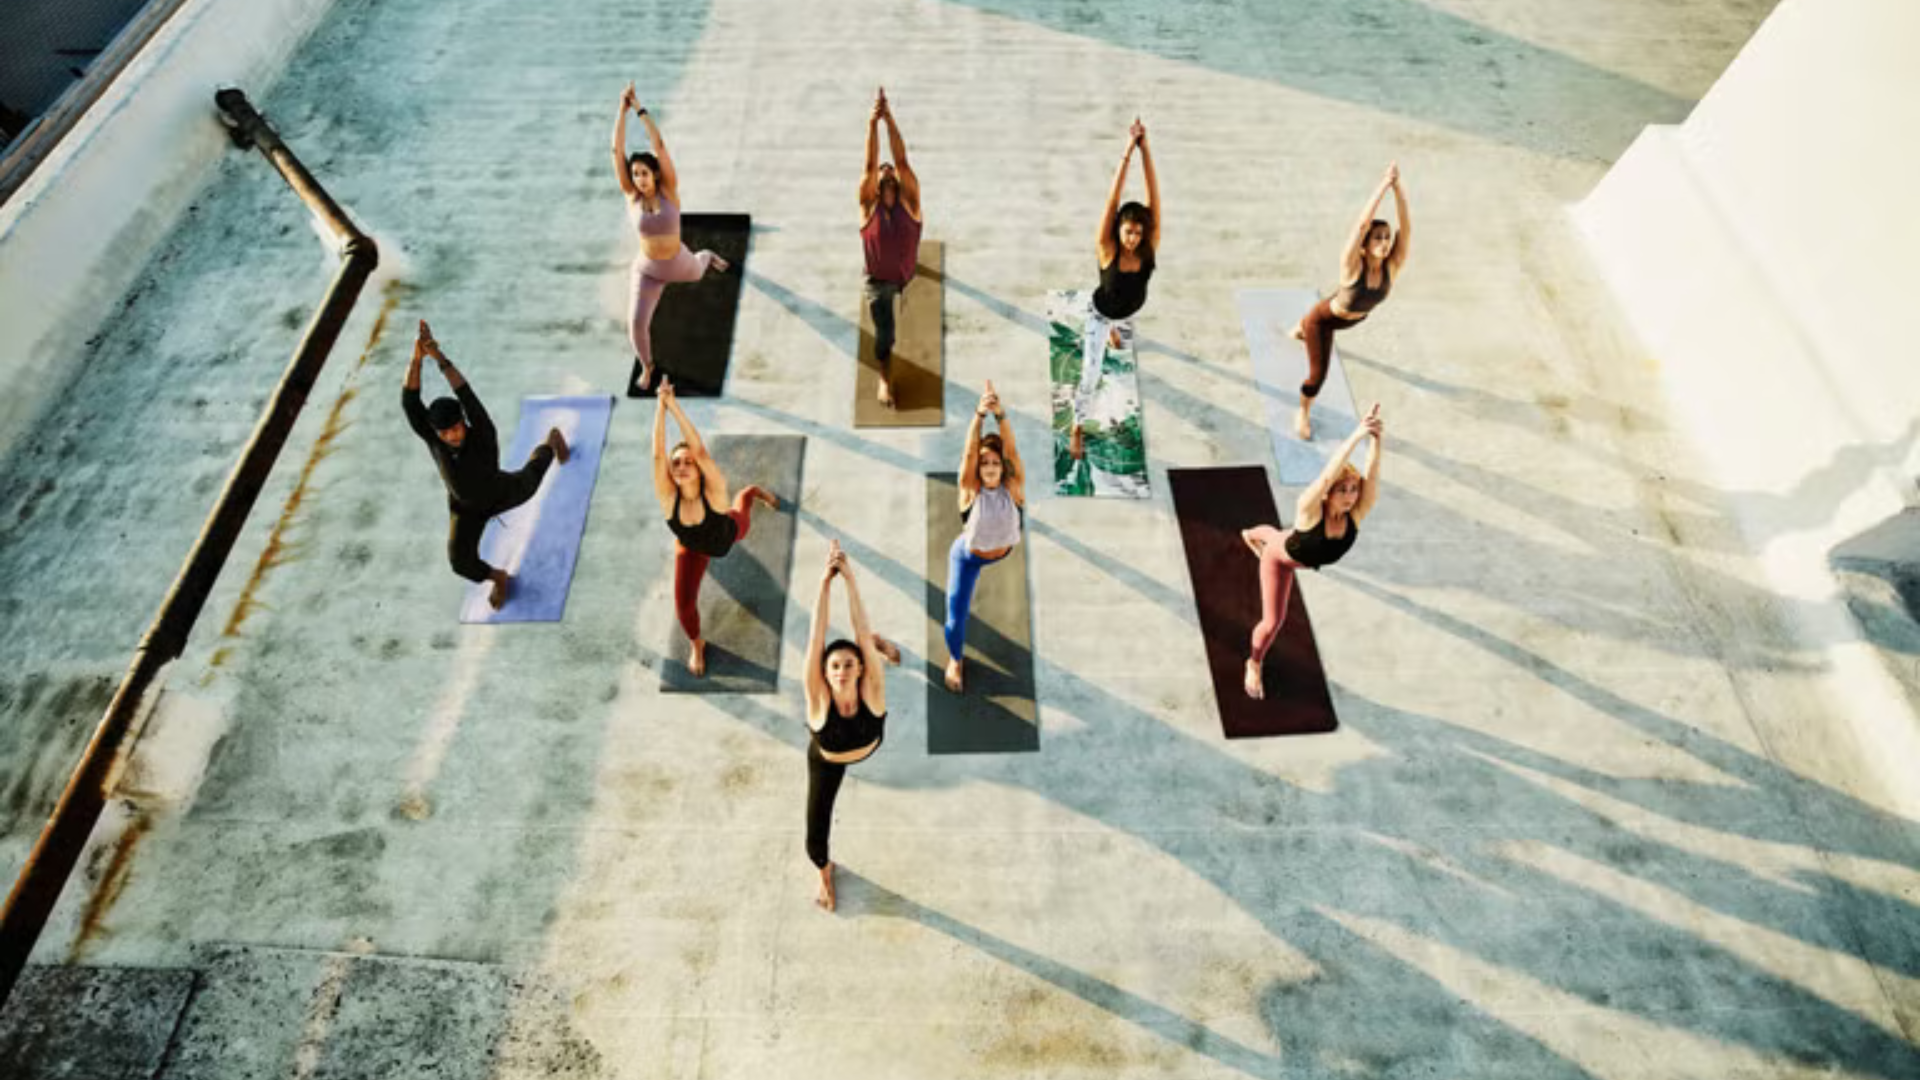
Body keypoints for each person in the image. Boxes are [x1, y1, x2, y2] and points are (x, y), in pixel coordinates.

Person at [402, 320, 569, 610]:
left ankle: (551, 442)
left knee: (533, 477)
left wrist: (439, 359)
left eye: (456, 428)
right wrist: (416, 357)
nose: (452, 436)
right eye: (445, 433)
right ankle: (498, 578)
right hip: (464, 508)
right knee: (460, 562)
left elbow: (464, 391)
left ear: (463, 422)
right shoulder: (435, 439)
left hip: (500, 491)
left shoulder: (481, 430)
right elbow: (410, 401)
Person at [1241, 404, 1384, 700]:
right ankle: (1253, 662)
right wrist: (1356, 436)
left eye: (1353, 489)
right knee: (1272, 622)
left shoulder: (1355, 515)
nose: (1349, 497)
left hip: (1296, 549)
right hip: (1281, 561)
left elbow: (1372, 478)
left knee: (1277, 534)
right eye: (1342, 490)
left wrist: (1376, 440)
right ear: (1328, 492)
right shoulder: (1310, 509)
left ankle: (1251, 535)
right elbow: (1325, 476)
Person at [651, 377, 778, 676]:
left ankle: (754, 491)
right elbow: (658, 455)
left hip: (728, 533)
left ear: (697, 467)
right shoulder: (670, 500)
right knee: (683, 607)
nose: (680, 466)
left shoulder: (714, 493)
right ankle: (698, 644)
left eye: (686, 462)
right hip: (692, 547)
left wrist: (674, 406)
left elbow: (701, 451)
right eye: (676, 464)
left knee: (742, 501)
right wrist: (660, 407)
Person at [613, 82, 730, 392]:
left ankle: (708, 255)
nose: (638, 179)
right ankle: (648, 366)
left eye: (644, 173)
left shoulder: (669, 192)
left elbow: (660, 146)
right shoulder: (631, 196)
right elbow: (616, 151)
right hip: (648, 270)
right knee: (637, 324)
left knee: (700, 267)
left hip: (679, 263)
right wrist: (620, 112)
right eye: (634, 173)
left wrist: (638, 108)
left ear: (655, 175)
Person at [1288, 164, 1411, 439]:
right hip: (1324, 322)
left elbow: (1407, 228)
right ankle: (1303, 412)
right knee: (1317, 377)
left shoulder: (1392, 267)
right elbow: (1361, 225)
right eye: (1378, 238)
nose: (1385, 242)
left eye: (1387, 237)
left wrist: (1398, 189)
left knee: (1339, 299)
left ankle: (1299, 329)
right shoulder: (1351, 266)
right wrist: (1383, 185)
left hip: (1351, 315)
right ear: (1365, 245)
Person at [802, 540, 891, 912]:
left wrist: (850, 578)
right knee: (813, 840)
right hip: (827, 760)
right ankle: (825, 874)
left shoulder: (872, 689)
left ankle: (881, 645)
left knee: (867, 639)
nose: (841, 671)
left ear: (860, 669)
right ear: (824, 673)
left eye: (849, 664)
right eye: (834, 666)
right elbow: (816, 638)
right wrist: (824, 583)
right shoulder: (818, 698)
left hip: (863, 741)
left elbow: (860, 628)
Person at [1073, 117, 1159, 436]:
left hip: (1130, 310)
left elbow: (1154, 195)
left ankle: (1115, 329)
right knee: (1090, 374)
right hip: (1101, 312)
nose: (1133, 238)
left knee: (1121, 324)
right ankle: (1077, 428)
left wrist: (1145, 149)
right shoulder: (1107, 248)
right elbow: (1112, 200)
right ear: (1118, 230)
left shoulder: (1149, 246)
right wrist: (1128, 150)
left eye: (1138, 233)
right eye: (1128, 232)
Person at [944, 382, 1025, 693]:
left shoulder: (1014, 488)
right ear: (977, 468)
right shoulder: (969, 491)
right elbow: (968, 453)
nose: (989, 467)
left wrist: (1001, 415)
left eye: (994, 462)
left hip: (1002, 551)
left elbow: (1013, 452)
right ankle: (955, 659)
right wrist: (980, 415)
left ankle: (956, 657)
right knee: (954, 619)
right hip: (968, 556)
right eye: (984, 462)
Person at [858, 86, 923, 409]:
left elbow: (901, 158)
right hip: (878, 280)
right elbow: (871, 164)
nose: (886, 170)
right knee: (886, 335)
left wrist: (889, 118)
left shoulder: (910, 202)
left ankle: (913, 266)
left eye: (890, 170)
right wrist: (872, 124)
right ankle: (884, 377)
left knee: (908, 262)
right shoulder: (868, 207)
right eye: (881, 172)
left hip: (905, 271)